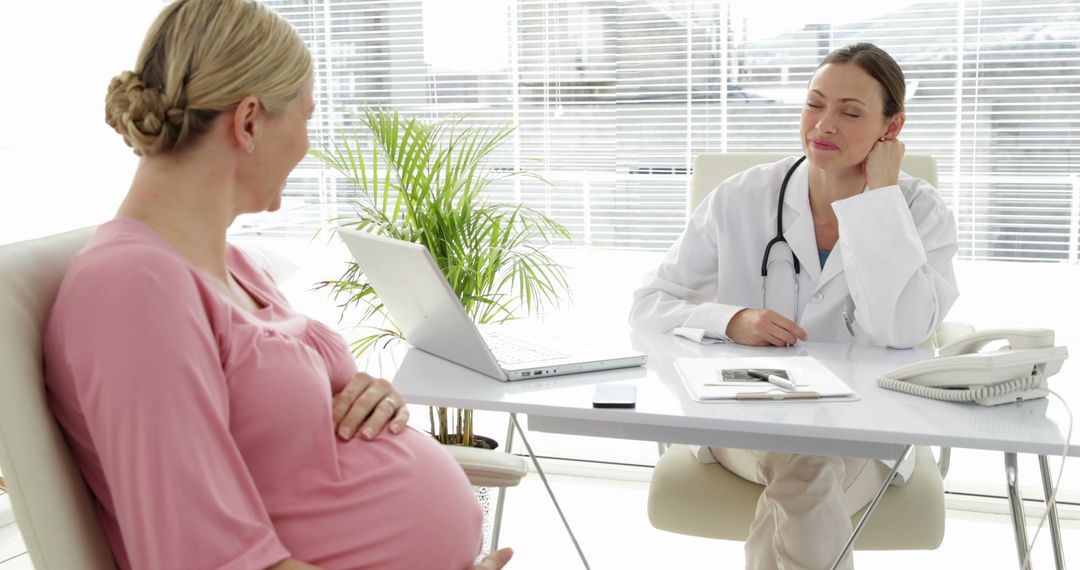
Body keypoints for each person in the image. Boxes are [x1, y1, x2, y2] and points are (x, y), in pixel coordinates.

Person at [42, 1, 512, 569]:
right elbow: (201, 560)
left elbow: (280, 436)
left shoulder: (232, 263)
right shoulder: (131, 288)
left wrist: (368, 403)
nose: (308, 145)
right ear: (248, 122)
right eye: (306, 119)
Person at [629, 43, 959, 570]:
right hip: (747, 423)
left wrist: (879, 201)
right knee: (804, 468)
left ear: (890, 129)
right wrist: (730, 320)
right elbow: (648, 304)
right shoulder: (742, 197)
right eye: (814, 104)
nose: (824, 124)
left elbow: (902, 331)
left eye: (851, 112)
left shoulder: (919, 211)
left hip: (866, 429)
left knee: (805, 475)